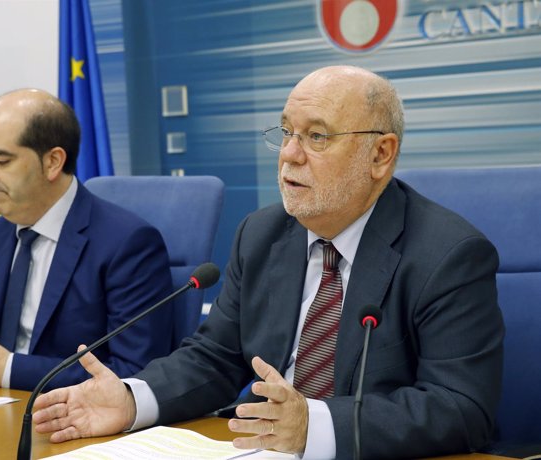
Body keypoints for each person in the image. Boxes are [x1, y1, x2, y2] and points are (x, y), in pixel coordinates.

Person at [31, 66, 504, 459]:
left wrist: (313, 425)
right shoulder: (262, 233)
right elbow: (215, 358)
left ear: (380, 155)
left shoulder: (447, 255)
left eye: (316, 136)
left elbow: (461, 408)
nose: (289, 155)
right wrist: (133, 400)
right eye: (286, 132)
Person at [0, 89, 174, 392]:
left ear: (53, 162)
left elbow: (134, 373)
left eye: (0, 160)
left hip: (77, 423)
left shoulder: (127, 243)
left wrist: (8, 369)